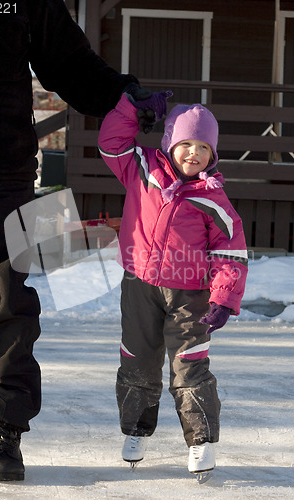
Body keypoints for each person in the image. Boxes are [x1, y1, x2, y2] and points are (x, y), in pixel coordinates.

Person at [0, 0, 154, 482]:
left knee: (7, 305)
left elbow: (68, 62)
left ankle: (6, 428)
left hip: (5, 173)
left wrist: (121, 94)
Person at [98, 90, 248, 478]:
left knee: (190, 367)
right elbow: (111, 143)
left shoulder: (212, 199)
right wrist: (132, 109)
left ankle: (200, 443)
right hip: (140, 286)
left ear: (212, 154)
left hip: (190, 295)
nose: (193, 153)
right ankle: (136, 431)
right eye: (186, 144)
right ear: (169, 143)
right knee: (137, 360)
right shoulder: (142, 169)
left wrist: (223, 298)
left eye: (203, 147)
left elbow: (231, 250)